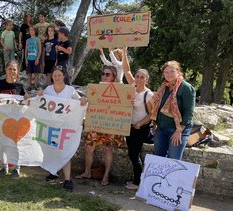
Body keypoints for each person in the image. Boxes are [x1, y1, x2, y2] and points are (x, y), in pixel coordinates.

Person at [38, 65, 87, 191]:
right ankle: (53, 172)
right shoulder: (48, 89)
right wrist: (39, 95)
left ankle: (67, 180)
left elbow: (79, 101)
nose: (57, 77)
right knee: (52, 149)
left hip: (65, 127)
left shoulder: (70, 90)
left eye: (59, 75)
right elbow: (41, 100)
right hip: (51, 126)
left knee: (65, 151)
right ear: (52, 77)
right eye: (55, 75)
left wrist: (83, 100)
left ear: (63, 76)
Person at [75, 65, 125, 186]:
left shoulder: (120, 89)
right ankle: (87, 172)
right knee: (88, 148)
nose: (104, 76)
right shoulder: (96, 88)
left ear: (113, 77)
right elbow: (90, 102)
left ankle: (106, 176)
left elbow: (125, 104)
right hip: (97, 122)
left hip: (111, 124)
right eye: (103, 73)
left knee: (108, 149)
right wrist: (84, 100)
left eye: (107, 74)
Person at [121, 48, 153, 190]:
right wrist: (124, 52)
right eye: (137, 76)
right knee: (132, 153)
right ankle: (137, 179)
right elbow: (126, 69)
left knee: (134, 154)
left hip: (141, 128)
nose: (139, 79)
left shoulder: (149, 94)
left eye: (142, 77)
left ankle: (138, 182)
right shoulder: (132, 86)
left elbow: (152, 115)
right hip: (130, 126)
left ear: (147, 79)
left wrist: (140, 123)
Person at [0, 60, 30, 178]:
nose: (12, 71)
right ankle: (4, 167)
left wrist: (26, 99)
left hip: (16, 119)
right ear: (6, 70)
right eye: (10, 69)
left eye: (14, 69)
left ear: (17, 71)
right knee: (2, 143)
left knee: (16, 143)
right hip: (2, 119)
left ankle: (17, 168)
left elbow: (25, 101)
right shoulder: (0, 84)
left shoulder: (20, 86)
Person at [151, 61, 196, 160]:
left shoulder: (186, 88)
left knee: (173, 160)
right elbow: (157, 107)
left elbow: (189, 112)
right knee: (157, 158)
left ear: (178, 72)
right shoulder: (164, 87)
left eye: (172, 71)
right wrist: (155, 124)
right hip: (161, 129)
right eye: (166, 72)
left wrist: (179, 131)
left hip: (178, 130)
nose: (169, 74)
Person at [25, 25, 42, 91]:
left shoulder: (37, 39)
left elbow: (40, 50)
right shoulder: (27, 40)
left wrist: (37, 58)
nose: (31, 31)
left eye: (33, 30)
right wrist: (26, 59)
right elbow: (26, 50)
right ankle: (29, 86)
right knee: (29, 73)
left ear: (35, 31)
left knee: (36, 73)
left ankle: (35, 86)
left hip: (35, 59)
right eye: (30, 30)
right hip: (29, 59)